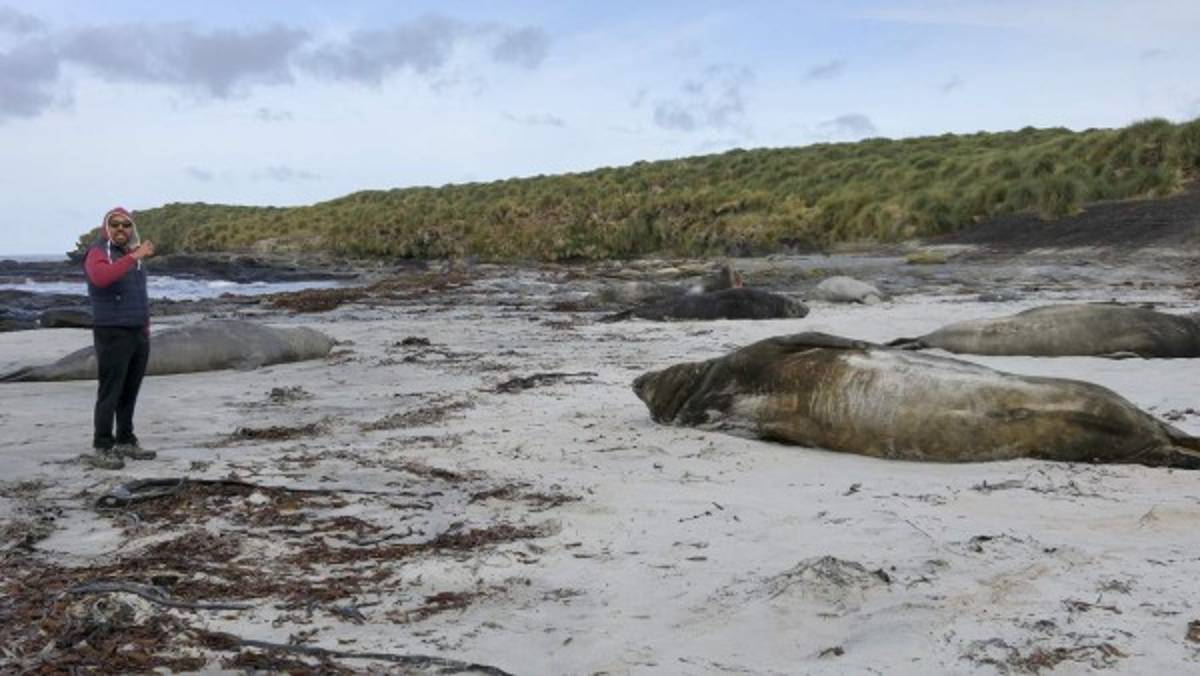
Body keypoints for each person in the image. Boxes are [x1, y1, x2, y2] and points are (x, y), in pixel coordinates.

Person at [81, 207, 156, 470]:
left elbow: (139, 294)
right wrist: (134, 255)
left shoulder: (131, 256)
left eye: (126, 225)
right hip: (111, 331)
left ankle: (125, 439)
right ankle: (102, 446)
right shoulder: (99, 252)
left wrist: (145, 327)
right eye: (115, 224)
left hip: (137, 332)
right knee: (110, 392)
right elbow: (101, 278)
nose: (121, 229)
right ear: (106, 228)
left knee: (129, 391)